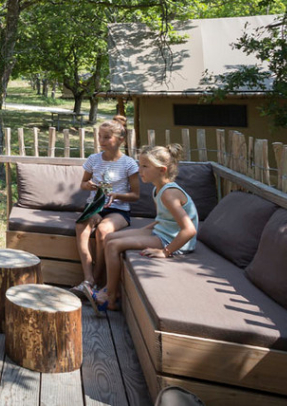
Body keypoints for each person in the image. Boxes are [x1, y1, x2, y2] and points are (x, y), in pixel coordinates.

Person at [93, 144, 198, 314]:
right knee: (110, 238)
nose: (139, 169)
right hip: (162, 231)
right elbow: (166, 219)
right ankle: (108, 287)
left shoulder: (169, 194)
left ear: (162, 170)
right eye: (139, 164)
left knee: (113, 245)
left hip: (172, 240)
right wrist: (146, 229)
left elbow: (189, 230)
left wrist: (165, 252)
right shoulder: (159, 189)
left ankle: (110, 297)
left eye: (144, 166)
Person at [70, 116, 139, 302]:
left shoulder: (129, 164)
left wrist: (117, 196)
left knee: (103, 231)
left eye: (107, 137)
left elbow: (135, 195)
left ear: (120, 140)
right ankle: (88, 279)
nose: (101, 141)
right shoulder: (93, 159)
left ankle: (99, 280)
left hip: (118, 210)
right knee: (80, 227)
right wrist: (89, 185)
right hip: (95, 205)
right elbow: (83, 183)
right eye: (100, 136)